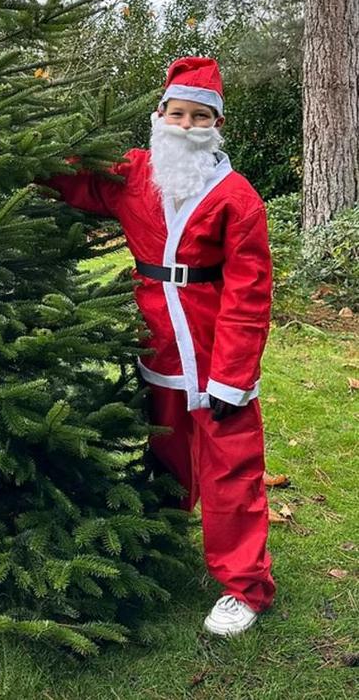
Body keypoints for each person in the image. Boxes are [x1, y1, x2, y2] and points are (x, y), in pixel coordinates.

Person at [44, 55, 275, 637]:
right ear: (159, 116)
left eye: (200, 117)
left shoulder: (237, 198)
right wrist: (19, 148)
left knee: (230, 467)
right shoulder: (133, 175)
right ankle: (164, 546)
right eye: (177, 113)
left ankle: (244, 585)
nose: (186, 126)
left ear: (215, 126)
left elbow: (249, 293)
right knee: (167, 458)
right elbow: (74, 176)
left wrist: (231, 376)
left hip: (214, 353)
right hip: (157, 347)